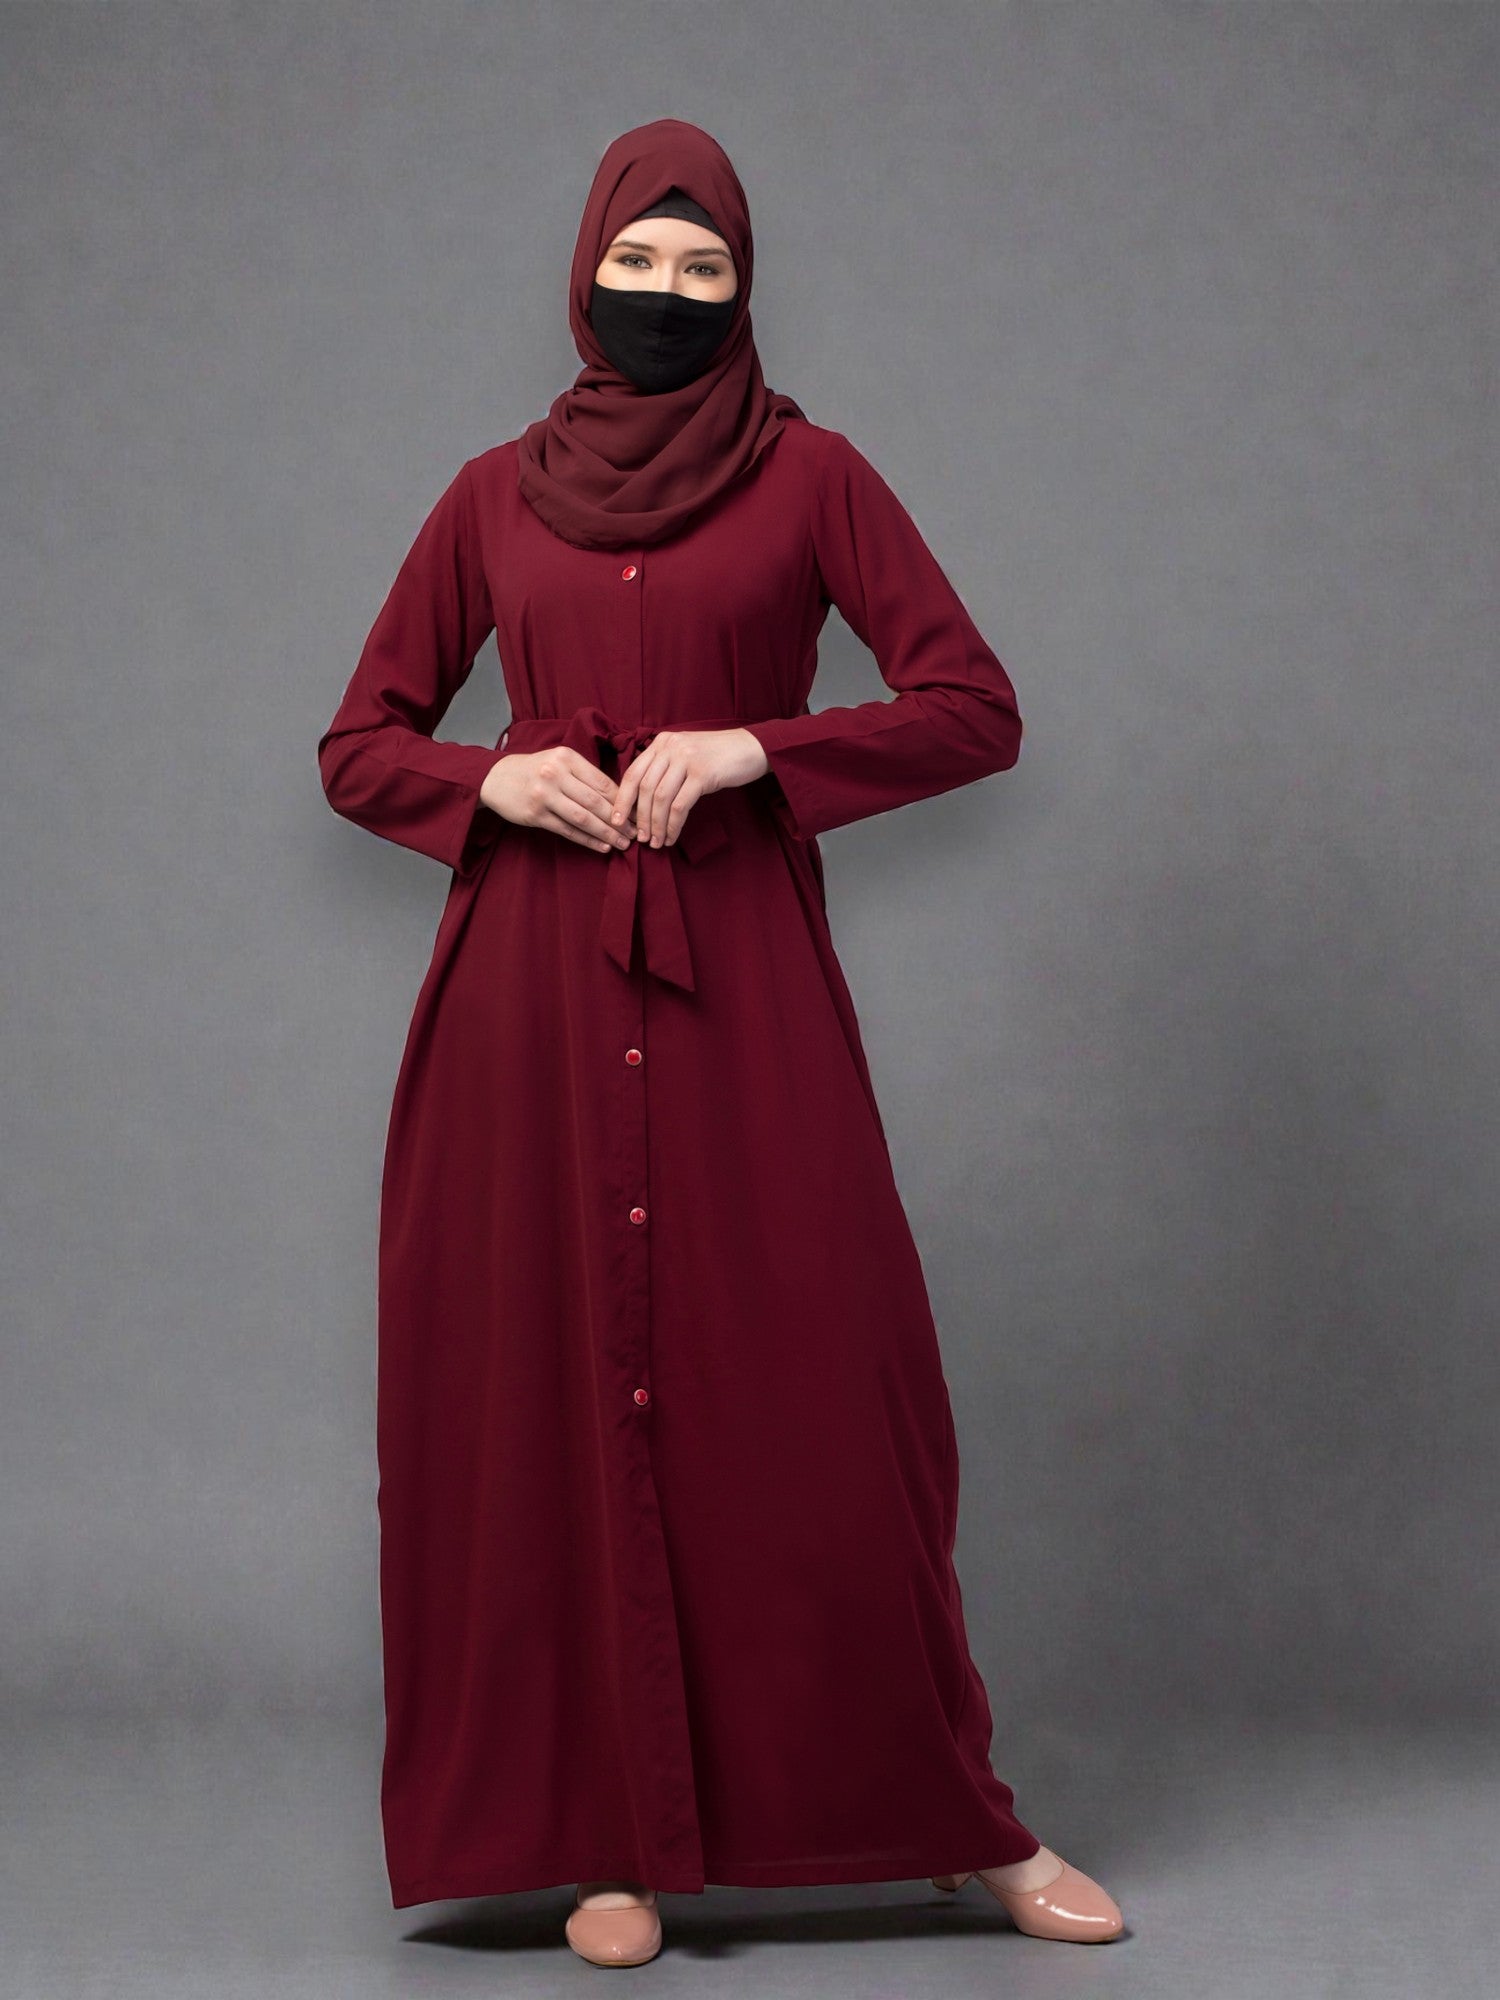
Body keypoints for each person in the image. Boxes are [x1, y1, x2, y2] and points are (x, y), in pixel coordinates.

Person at [317, 116, 1125, 1969]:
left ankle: (954, 1817)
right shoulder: (488, 499)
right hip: (527, 999)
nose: (665, 295)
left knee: (826, 1391)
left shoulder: (815, 478)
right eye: (638, 262)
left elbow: (972, 706)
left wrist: (765, 748)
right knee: (546, 1394)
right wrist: (490, 780)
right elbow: (359, 744)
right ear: (583, 274)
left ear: (746, 291)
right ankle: (605, 1833)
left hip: (739, 973)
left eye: (704, 269)